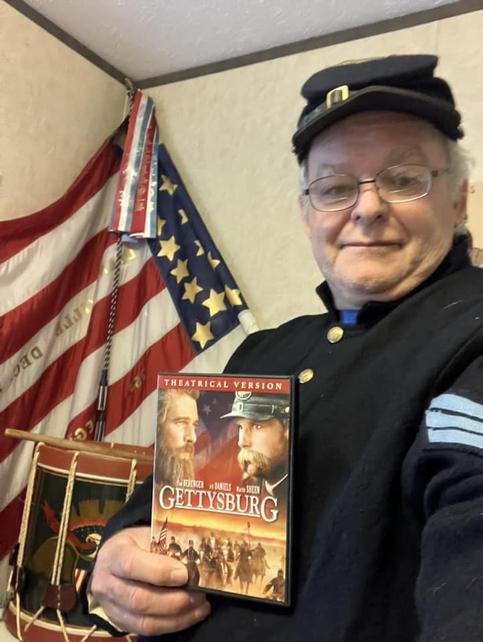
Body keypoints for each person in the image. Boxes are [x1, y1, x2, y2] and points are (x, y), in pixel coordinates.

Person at [88, 55, 483, 641]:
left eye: (404, 179)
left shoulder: (472, 335)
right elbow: (168, 504)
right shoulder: (264, 352)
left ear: (458, 200)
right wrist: (119, 552)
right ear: (306, 215)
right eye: (335, 188)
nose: (367, 208)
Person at [221, 392, 290, 498]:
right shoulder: (247, 486)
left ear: (287, 428)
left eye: (257, 426)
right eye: (240, 427)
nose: (241, 442)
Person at [154, 389, 199, 486]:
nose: (193, 437)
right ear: (158, 426)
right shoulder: (144, 493)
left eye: (194, 425)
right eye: (181, 422)